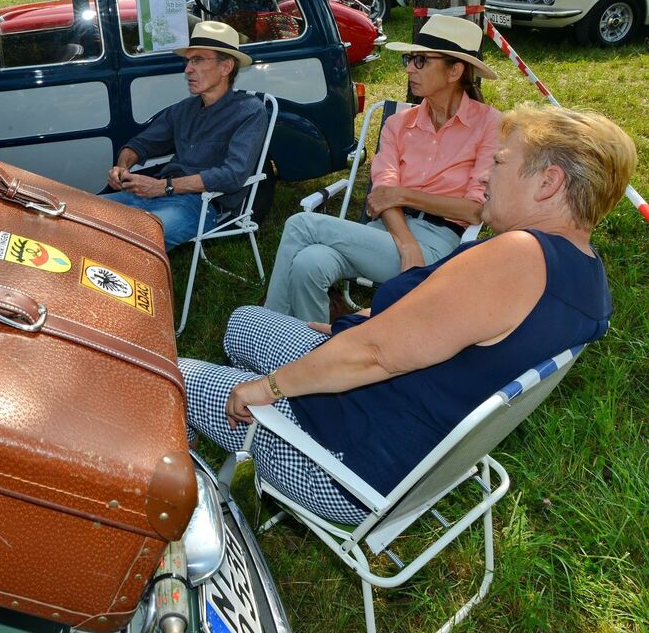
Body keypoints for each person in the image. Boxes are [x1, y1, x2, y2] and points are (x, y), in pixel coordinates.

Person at [182, 104, 636, 524]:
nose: (486, 177)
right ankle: (239, 427)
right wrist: (359, 322)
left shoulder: (517, 256)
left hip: (343, 462)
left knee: (165, 380)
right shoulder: (587, 276)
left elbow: (375, 355)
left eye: (499, 162)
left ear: (548, 181)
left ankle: (187, 498)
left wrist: (269, 387)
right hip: (401, 437)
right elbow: (448, 336)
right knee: (244, 322)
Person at [263, 15, 501, 323]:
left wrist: (403, 195)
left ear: (454, 70)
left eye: (420, 61)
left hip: (439, 243)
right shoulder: (399, 123)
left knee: (301, 224)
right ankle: (314, 356)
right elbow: (383, 193)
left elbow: (473, 211)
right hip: (389, 231)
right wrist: (406, 242)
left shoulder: (488, 124)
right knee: (310, 263)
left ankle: (267, 327)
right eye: (409, 59)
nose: (408, 69)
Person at [103, 20, 268, 251]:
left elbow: (233, 174)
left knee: (129, 241)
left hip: (200, 204)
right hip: (150, 194)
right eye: (188, 61)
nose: (187, 69)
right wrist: (123, 167)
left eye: (197, 60)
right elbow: (141, 144)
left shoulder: (248, 111)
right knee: (80, 216)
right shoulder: (184, 109)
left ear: (226, 67)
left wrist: (163, 187)